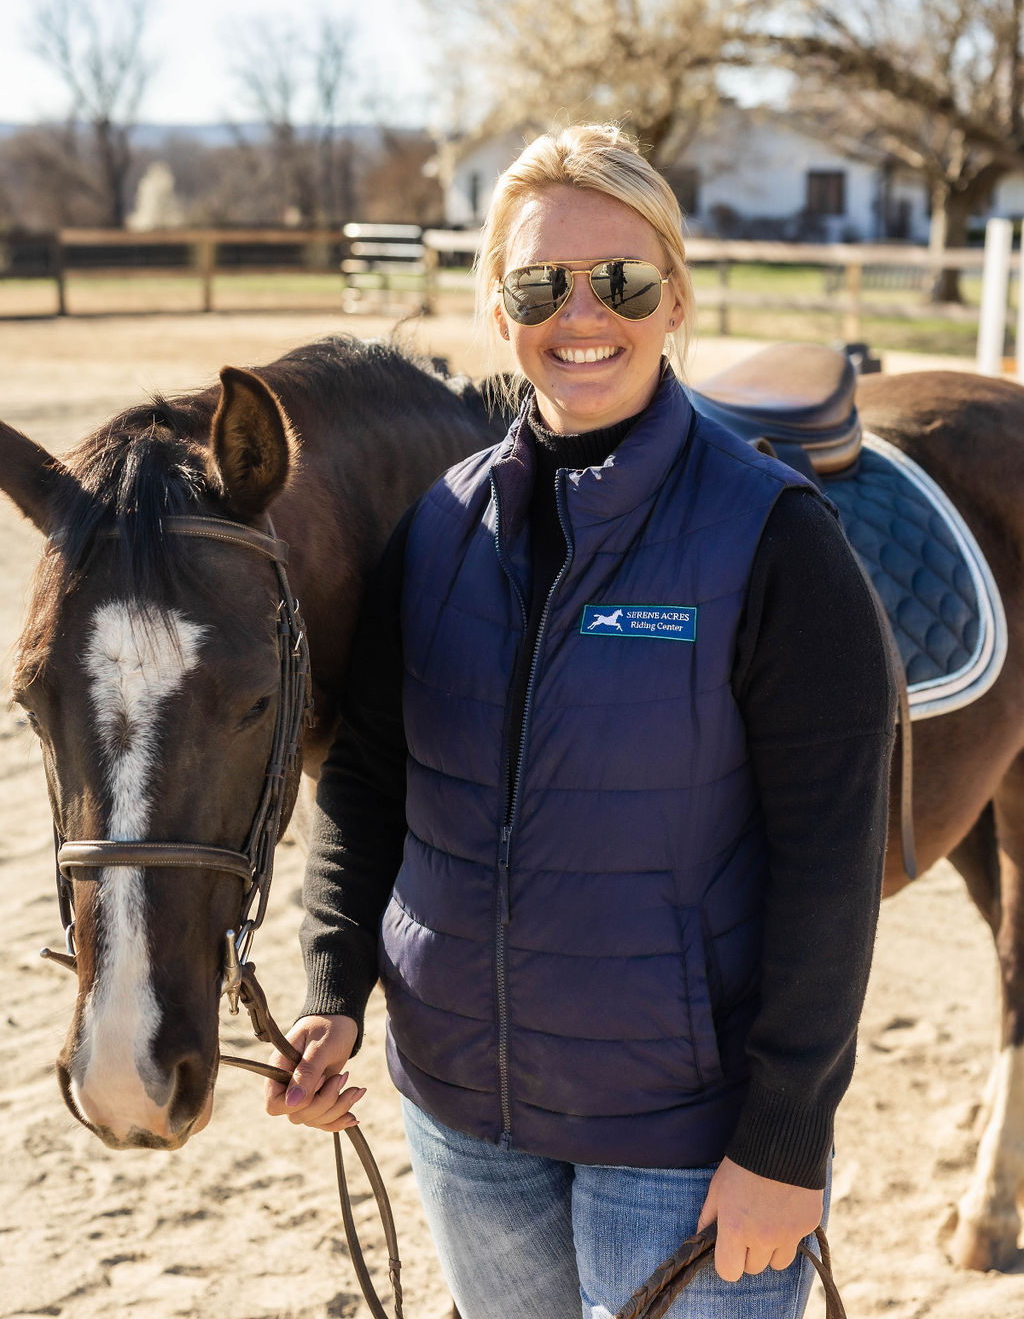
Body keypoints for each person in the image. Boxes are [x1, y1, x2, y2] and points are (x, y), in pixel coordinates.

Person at [265, 123, 895, 1318]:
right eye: (539, 282)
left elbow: (831, 865)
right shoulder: (440, 528)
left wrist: (784, 1139)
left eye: (622, 280)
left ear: (673, 302)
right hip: (463, 1117)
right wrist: (331, 990)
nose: (581, 312)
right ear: (498, 311)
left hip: (682, 1139)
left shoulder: (775, 539)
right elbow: (371, 779)